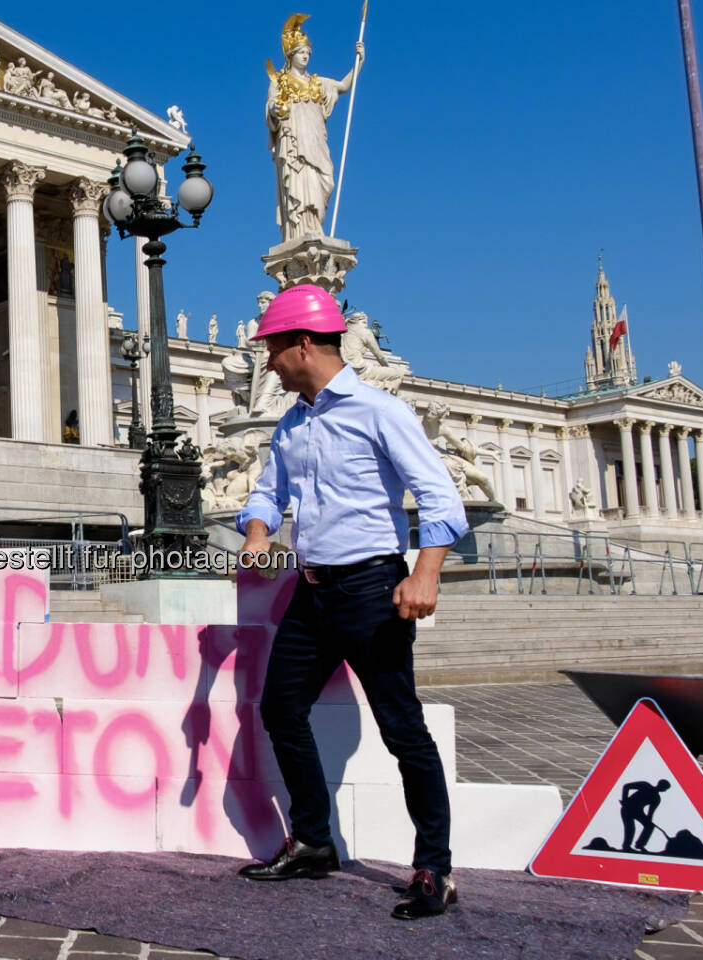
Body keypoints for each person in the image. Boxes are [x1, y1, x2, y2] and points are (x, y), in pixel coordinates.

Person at [234, 284, 468, 920]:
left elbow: (442, 499)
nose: (268, 364)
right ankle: (313, 841)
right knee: (281, 708)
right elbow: (265, 494)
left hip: (371, 588)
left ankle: (435, 868)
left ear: (303, 344)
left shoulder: (380, 412)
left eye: (273, 350)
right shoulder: (292, 423)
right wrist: (258, 531)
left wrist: (426, 574)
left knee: (402, 730)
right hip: (311, 593)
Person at [264, 15, 363, 242]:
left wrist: (358, 61)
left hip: (316, 142)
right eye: (302, 52)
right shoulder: (280, 82)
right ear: (291, 55)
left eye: (308, 52)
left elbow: (344, 86)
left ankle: (316, 225)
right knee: (299, 183)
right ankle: (299, 230)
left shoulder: (317, 83)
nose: (306, 55)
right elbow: (271, 106)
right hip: (294, 144)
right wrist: (276, 109)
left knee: (325, 179)